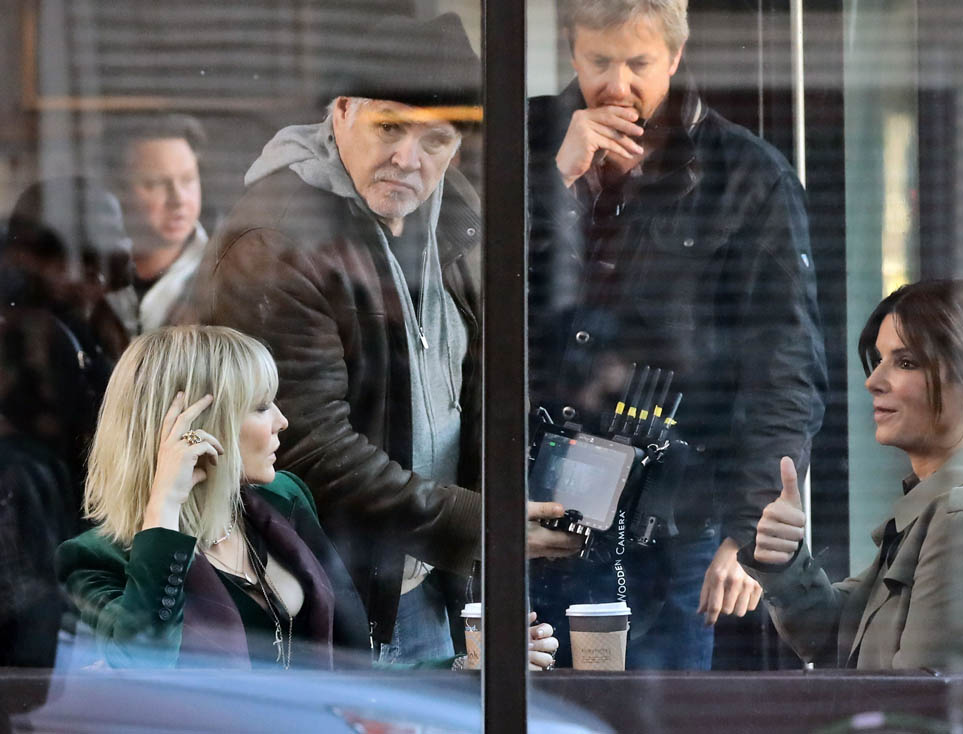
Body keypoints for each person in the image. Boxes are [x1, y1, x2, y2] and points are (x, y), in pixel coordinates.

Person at [192, 13, 579, 663]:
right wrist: (484, 526)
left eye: (436, 138)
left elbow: (480, 380)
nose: (408, 158)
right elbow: (309, 446)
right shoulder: (280, 238)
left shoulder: (453, 211)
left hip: (425, 577)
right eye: (390, 128)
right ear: (341, 112)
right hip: (317, 587)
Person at [526, 0, 827, 669]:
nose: (617, 85)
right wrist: (553, 183)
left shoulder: (745, 174)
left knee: (660, 706)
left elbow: (782, 365)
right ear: (572, 51)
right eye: (599, 61)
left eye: (639, 63)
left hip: (673, 512)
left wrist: (750, 531)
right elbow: (460, 298)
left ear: (676, 57)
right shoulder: (526, 144)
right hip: (528, 503)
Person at [56, 325, 559, 670]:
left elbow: (354, 677)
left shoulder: (281, 501)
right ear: (201, 427)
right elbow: (143, 667)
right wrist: (164, 510)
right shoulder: (95, 560)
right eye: (260, 407)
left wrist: (470, 666)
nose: (282, 421)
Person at [741, 280, 963, 669]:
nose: (873, 382)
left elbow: (920, 698)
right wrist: (784, 559)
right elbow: (843, 634)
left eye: (906, 362)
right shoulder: (944, 505)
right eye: (879, 360)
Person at [0, 177, 132, 668]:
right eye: (80, 264)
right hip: (39, 513)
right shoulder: (34, 332)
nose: (95, 281)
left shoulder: (94, 323)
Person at [106, 114, 209, 334]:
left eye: (188, 179)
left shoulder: (220, 276)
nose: (178, 199)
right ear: (120, 190)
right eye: (155, 183)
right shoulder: (95, 271)